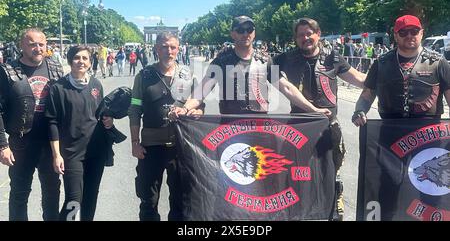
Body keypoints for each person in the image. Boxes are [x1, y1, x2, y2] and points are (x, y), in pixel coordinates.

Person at [352, 15, 450, 220]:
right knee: (388, 185)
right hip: (390, 136)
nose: (409, 36)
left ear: (422, 33)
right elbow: (367, 94)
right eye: (403, 32)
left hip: (428, 136)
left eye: (414, 31)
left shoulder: (439, 62)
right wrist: (359, 110)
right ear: (395, 35)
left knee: (430, 189)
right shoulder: (382, 63)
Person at [272, 17, 366, 221]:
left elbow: (360, 79)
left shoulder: (333, 57)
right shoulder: (285, 58)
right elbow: (277, 82)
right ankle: (298, 211)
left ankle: (334, 207)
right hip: (298, 128)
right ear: (295, 38)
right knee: (298, 172)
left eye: (309, 33)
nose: (305, 38)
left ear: (318, 34)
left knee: (332, 170)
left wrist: (385, 77)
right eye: (300, 35)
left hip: (328, 128)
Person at [170, 15, 331, 118]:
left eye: (249, 29)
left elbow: (287, 88)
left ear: (254, 33)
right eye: (240, 30)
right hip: (229, 129)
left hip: (259, 128)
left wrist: (313, 109)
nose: (245, 33)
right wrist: (184, 108)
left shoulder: (265, 60)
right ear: (233, 34)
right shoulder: (221, 61)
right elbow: (201, 92)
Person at [128, 32, 202, 221]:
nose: (168, 51)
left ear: (178, 49)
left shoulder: (188, 75)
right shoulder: (144, 76)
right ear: (156, 48)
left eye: (173, 47)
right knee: (148, 200)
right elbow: (135, 109)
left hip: (181, 146)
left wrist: (196, 112)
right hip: (151, 147)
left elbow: (200, 104)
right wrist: (135, 142)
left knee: (180, 200)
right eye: (163, 46)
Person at [0, 28, 63, 221]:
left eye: (41, 44)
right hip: (21, 142)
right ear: (22, 46)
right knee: (19, 194)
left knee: (52, 192)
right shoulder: (7, 71)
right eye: (32, 44)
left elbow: (66, 103)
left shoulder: (55, 67)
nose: (38, 48)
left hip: (50, 141)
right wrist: (3, 145)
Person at [45, 46, 114, 221]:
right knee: (74, 199)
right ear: (69, 61)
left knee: (90, 197)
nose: (81, 61)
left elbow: (99, 114)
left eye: (85, 58)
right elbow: (52, 122)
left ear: (90, 62)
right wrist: (56, 155)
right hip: (71, 153)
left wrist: (108, 120)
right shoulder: (58, 88)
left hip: (95, 151)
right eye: (77, 58)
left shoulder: (95, 85)